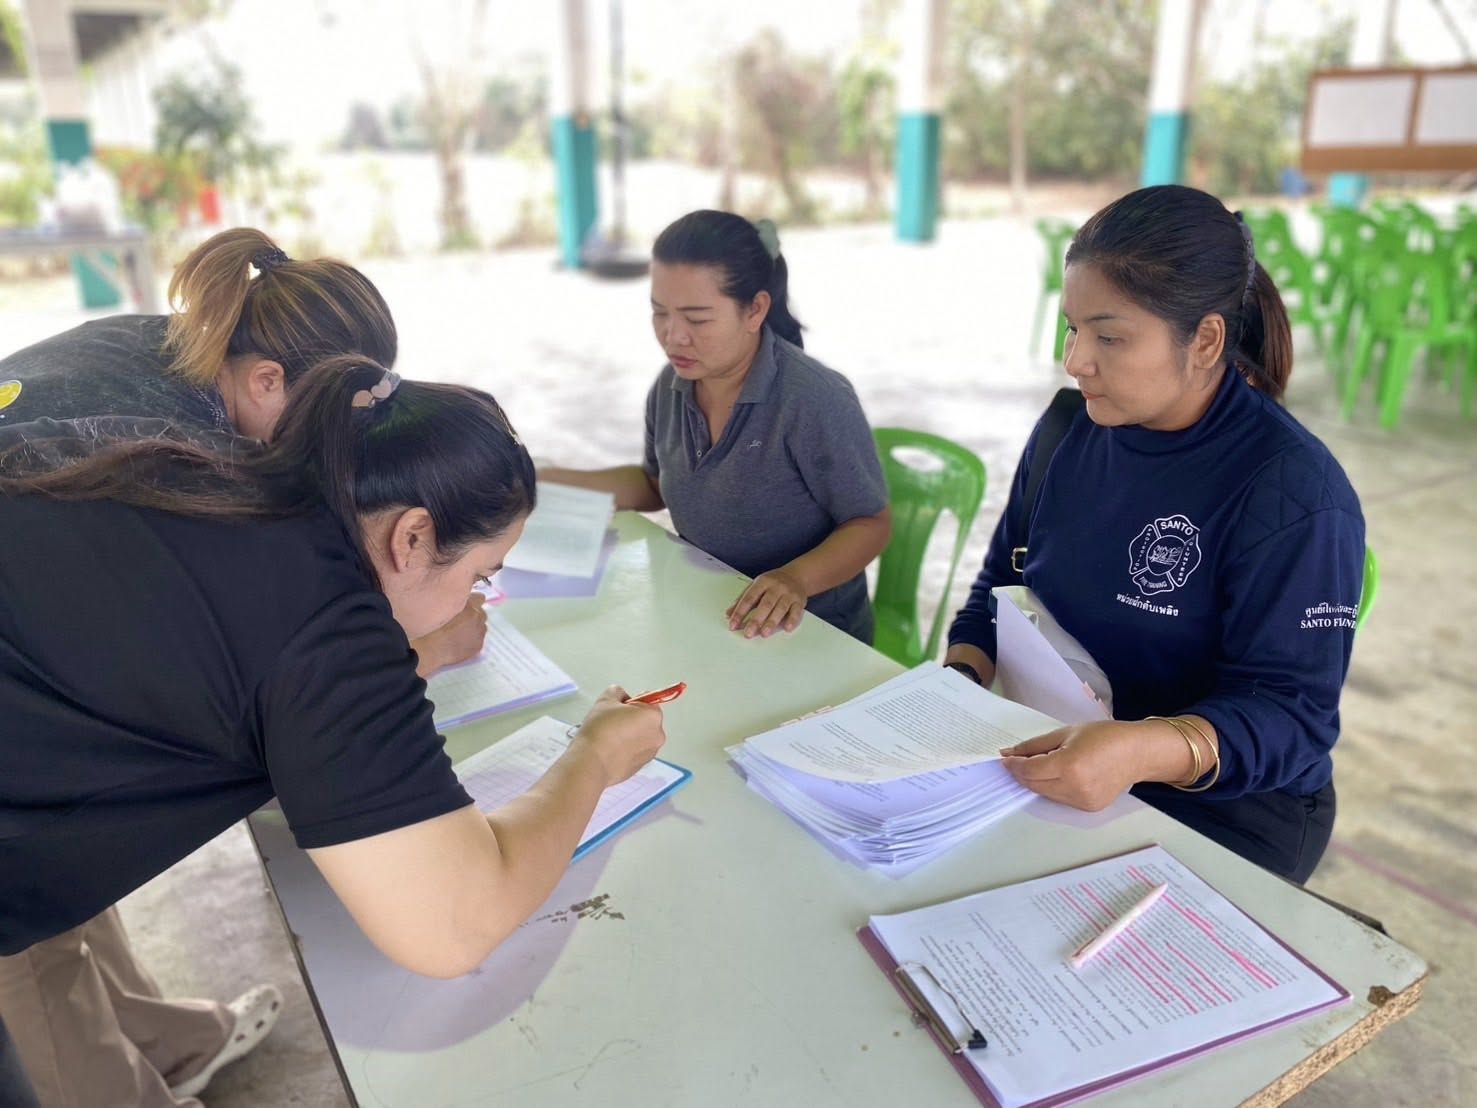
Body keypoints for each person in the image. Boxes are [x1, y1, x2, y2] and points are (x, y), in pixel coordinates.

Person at [0, 360, 665, 1107]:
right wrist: (595, 754)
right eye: (480, 575)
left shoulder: (222, 479)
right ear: (412, 536)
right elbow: (452, 926)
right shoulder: (325, 621)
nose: (475, 597)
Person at [944, 185, 1364, 885]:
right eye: (1071, 329)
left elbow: (1293, 718)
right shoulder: (1067, 432)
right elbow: (998, 587)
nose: (1076, 361)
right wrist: (956, 684)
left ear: (1203, 340)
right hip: (1059, 765)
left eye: (1108, 337)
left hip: (1218, 816)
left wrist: (1137, 751)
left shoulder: (1291, 493)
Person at [542, 210, 891, 643]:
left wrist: (795, 579)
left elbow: (871, 523)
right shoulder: (673, 385)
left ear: (755, 309)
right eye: (659, 313)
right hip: (712, 605)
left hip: (811, 632)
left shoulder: (811, 400)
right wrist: (544, 479)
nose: (674, 337)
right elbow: (654, 484)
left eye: (697, 319)